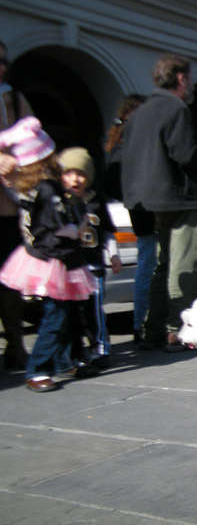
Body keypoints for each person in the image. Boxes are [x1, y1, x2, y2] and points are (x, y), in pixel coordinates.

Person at [0, 117, 99, 392]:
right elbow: (59, 227)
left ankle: (70, 360)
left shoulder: (30, 188)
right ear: (46, 157)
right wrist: (79, 228)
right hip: (57, 258)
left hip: (47, 257)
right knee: (57, 316)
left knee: (67, 314)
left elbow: (23, 206)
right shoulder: (48, 189)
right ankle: (38, 369)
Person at [122, 54, 197, 351]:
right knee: (189, 266)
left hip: (153, 200)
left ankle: (153, 328)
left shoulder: (141, 112)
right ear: (181, 79)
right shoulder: (176, 109)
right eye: (191, 79)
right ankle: (178, 330)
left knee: (164, 266)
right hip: (182, 197)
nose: (192, 85)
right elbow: (185, 154)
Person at [59, 147, 122, 369]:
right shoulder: (60, 203)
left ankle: (100, 348)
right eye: (69, 173)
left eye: (81, 174)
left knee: (94, 310)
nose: (75, 179)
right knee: (72, 313)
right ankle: (73, 353)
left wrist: (113, 254)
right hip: (69, 268)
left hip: (94, 266)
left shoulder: (97, 201)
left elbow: (107, 231)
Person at [104, 94, 153, 343]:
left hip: (145, 212)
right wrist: (139, 190)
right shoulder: (126, 146)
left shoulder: (129, 142)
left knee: (150, 268)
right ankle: (142, 325)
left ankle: (145, 324)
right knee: (148, 268)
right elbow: (112, 184)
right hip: (145, 213)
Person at [0, 40, 34, 370]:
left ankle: (15, 344)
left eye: (3, 60)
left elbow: (34, 143)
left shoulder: (12, 98)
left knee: (10, 281)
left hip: (8, 209)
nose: (2, 67)